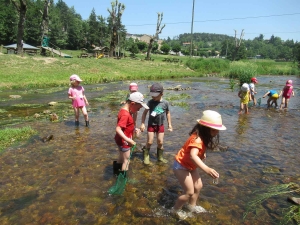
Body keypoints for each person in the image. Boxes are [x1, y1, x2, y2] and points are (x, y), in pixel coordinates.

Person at [171, 110, 226, 220]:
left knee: (198, 186)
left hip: (190, 166)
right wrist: (207, 169)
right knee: (189, 192)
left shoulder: (202, 136)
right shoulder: (197, 139)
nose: (217, 132)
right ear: (206, 128)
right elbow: (193, 156)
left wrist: (203, 153)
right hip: (181, 165)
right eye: (215, 129)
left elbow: (196, 152)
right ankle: (175, 210)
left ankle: (191, 206)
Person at [113, 92, 149, 176]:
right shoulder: (126, 114)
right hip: (124, 142)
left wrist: (134, 129)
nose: (139, 110)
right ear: (132, 104)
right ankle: (123, 178)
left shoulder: (124, 110)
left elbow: (125, 126)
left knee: (121, 157)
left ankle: (116, 173)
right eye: (138, 108)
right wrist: (128, 140)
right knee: (127, 160)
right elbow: (118, 129)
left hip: (119, 140)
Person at [140, 83, 173, 165]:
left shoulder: (165, 103)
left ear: (162, 94)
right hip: (151, 125)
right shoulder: (150, 102)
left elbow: (168, 113)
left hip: (160, 125)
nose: (153, 97)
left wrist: (169, 124)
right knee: (150, 142)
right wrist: (142, 123)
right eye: (152, 95)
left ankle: (160, 157)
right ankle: (146, 155)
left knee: (160, 142)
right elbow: (144, 113)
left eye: (155, 95)